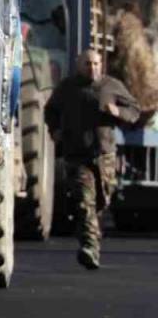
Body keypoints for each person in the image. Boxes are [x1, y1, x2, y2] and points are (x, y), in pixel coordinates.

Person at [44, 49, 141, 269]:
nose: (92, 68)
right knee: (83, 202)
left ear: (101, 65)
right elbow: (50, 110)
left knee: (101, 201)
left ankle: (92, 238)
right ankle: (89, 248)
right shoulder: (68, 88)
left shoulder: (111, 86)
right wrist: (55, 130)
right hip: (78, 155)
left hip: (105, 156)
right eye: (87, 64)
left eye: (96, 64)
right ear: (79, 65)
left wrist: (117, 112)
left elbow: (134, 109)